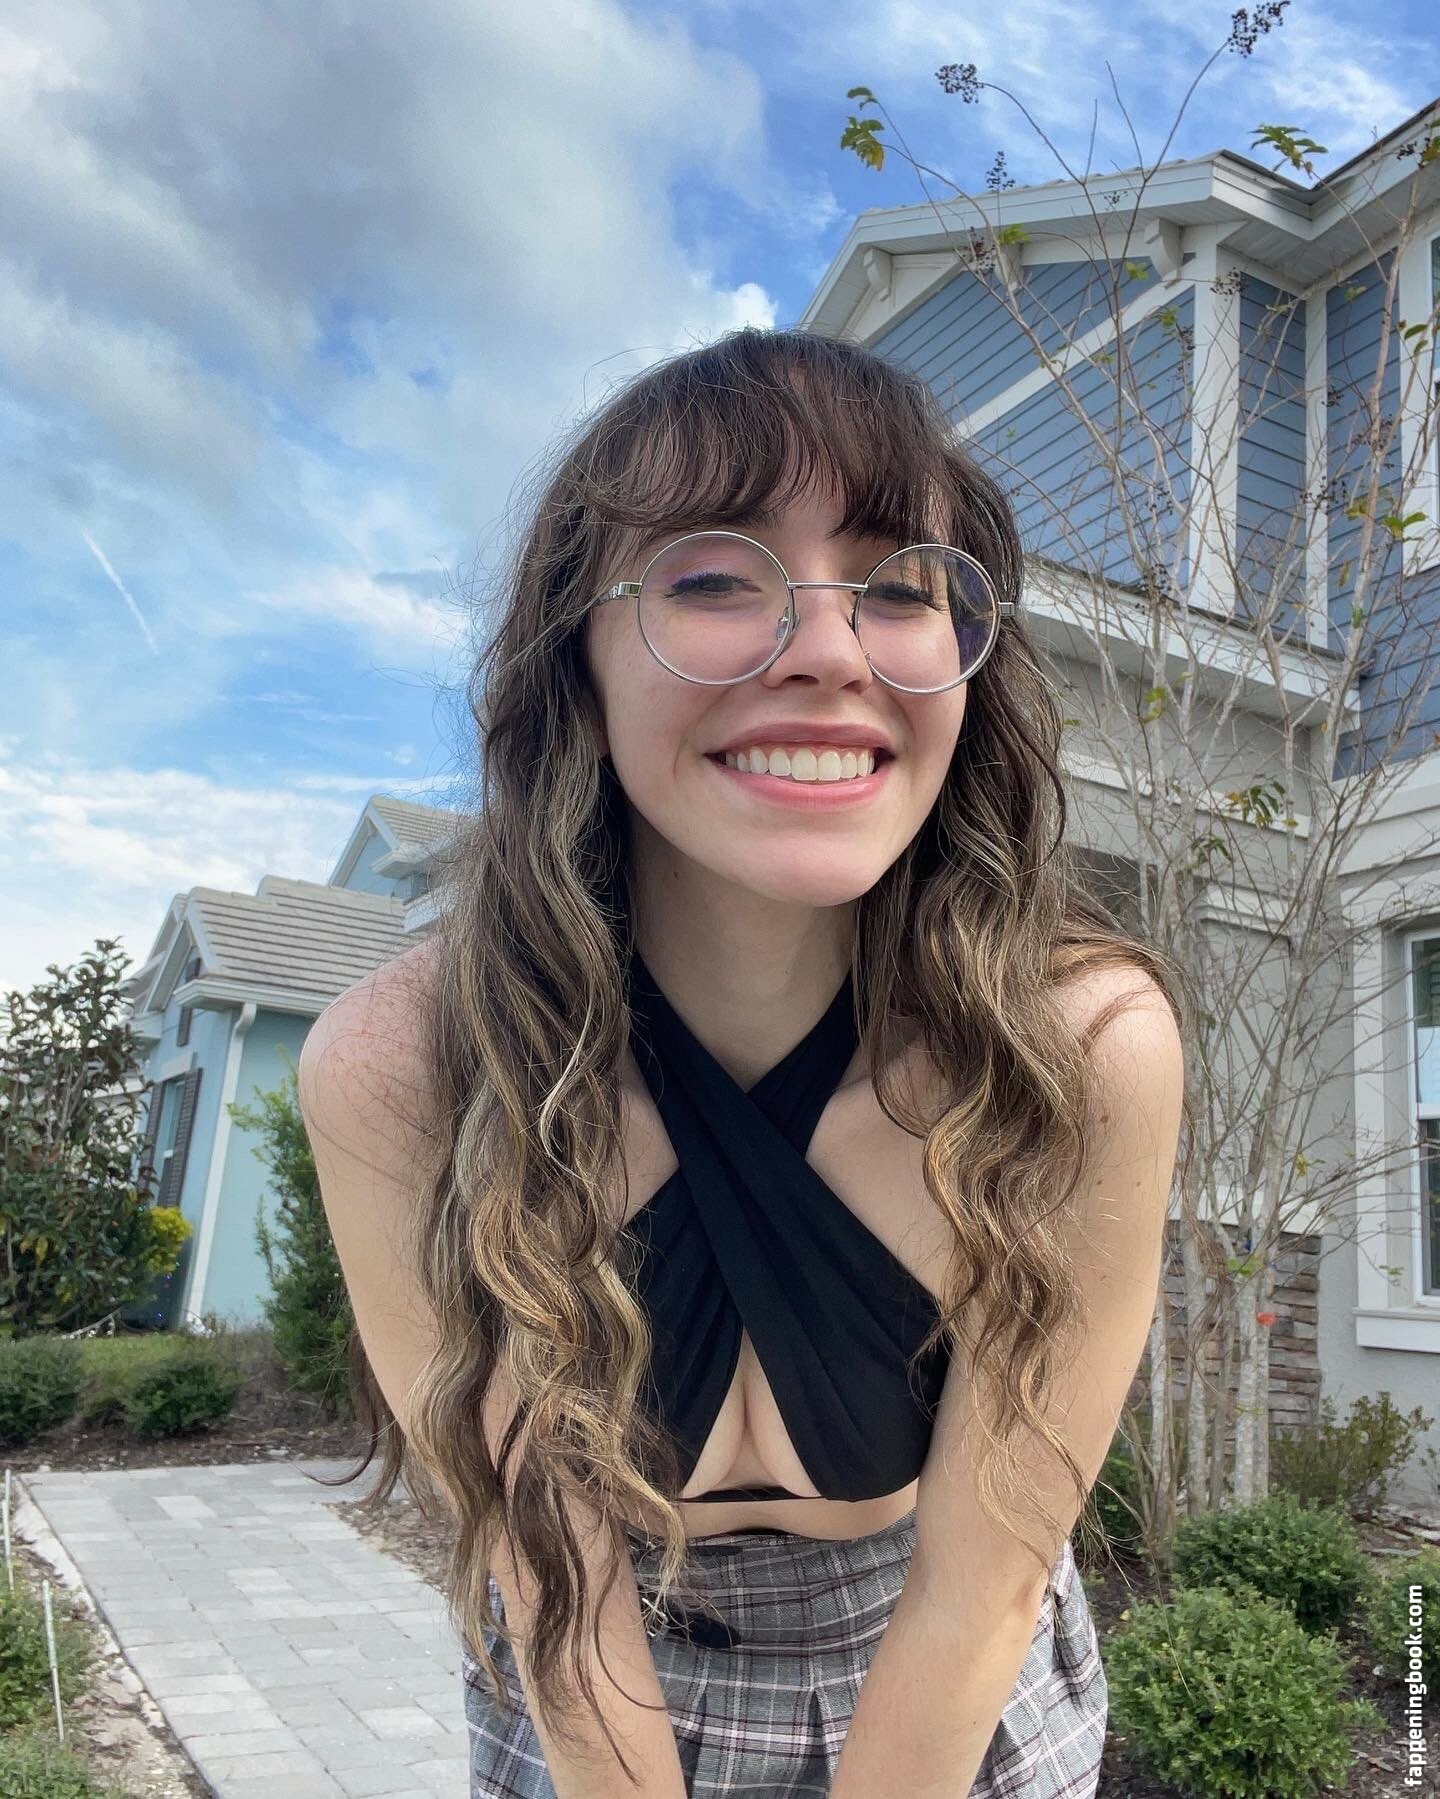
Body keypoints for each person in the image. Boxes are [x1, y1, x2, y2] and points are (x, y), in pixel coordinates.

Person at [297, 324, 1189, 1798]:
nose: (831, 650)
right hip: (590, 1689)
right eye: (714, 578)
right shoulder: (414, 1069)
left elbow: (978, 1596)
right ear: (574, 661)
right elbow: (553, 1586)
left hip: (954, 1691)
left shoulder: (1079, 1052)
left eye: (899, 587)